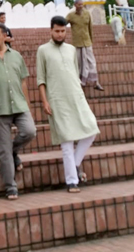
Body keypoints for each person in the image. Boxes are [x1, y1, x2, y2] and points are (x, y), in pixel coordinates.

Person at [37, 16, 100, 193]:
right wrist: (44, 101)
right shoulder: (43, 50)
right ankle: (72, 181)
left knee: (91, 129)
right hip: (57, 100)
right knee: (66, 142)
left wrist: (80, 95)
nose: (60, 34)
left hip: (76, 97)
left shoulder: (71, 49)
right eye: (57, 31)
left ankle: (75, 163)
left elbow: (74, 73)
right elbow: (41, 79)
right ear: (51, 30)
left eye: (63, 31)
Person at [0, 23, 36, 200]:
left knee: (30, 131)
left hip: (19, 105)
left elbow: (24, 83)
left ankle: (13, 150)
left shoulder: (16, 56)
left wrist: (28, 105)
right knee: (2, 150)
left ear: (4, 36)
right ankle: (11, 187)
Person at [66, 0, 104, 91]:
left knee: (92, 62)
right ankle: (81, 82)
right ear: (75, 5)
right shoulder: (71, 15)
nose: (81, 6)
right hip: (77, 43)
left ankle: (95, 82)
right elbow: (63, 23)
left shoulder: (87, 14)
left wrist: (91, 40)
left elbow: (90, 27)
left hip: (87, 42)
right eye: (79, 5)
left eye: (82, 5)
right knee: (80, 63)